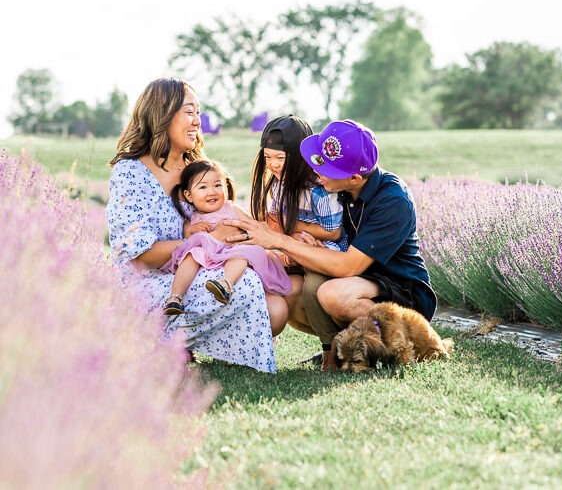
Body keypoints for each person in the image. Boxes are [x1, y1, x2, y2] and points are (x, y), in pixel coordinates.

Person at [105, 77, 286, 373]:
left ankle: (181, 344)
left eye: (199, 113)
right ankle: (153, 340)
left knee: (276, 310)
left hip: (201, 269)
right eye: (190, 112)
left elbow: (228, 215)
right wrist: (206, 241)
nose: (197, 121)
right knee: (246, 285)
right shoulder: (130, 172)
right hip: (147, 281)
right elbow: (140, 255)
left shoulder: (196, 168)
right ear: (162, 113)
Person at [225, 119, 437, 371]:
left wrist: (281, 241)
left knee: (333, 295)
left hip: (400, 290)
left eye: (326, 169)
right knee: (288, 291)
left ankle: (401, 347)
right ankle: (340, 350)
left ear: (355, 178)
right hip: (360, 280)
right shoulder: (340, 189)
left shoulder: (393, 201)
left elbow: (348, 266)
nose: (316, 171)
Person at [249, 114, 347, 334]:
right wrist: (288, 233)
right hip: (294, 245)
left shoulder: (318, 190)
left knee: (311, 286)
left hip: (324, 248)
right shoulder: (277, 185)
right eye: (268, 157)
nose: (273, 165)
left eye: (280, 158)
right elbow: (275, 223)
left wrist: (292, 227)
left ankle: (330, 345)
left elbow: (332, 232)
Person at [161, 158, 291, 315]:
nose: (212, 191)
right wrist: (193, 230)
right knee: (191, 255)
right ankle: (175, 296)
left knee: (241, 254)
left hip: (232, 253)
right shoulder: (192, 218)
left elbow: (253, 227)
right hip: (208, 257)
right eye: (203, 187)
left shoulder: (231, 208)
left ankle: (225, 284)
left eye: (217, 185)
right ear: (189, 196)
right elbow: (187, 239)